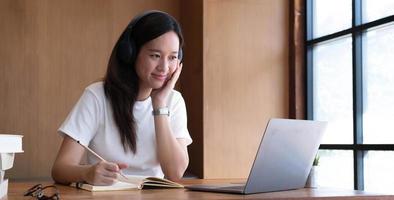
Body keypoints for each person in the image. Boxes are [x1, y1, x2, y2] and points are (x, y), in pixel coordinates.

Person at [51, 10, 192, 186]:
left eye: (172, 58)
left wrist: (159, 105)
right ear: (130, 53)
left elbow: (175, 173)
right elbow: (60, 168)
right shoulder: (97, 96)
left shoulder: (173, 101)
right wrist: (87, 172)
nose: (164, 67)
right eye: (155, 56)